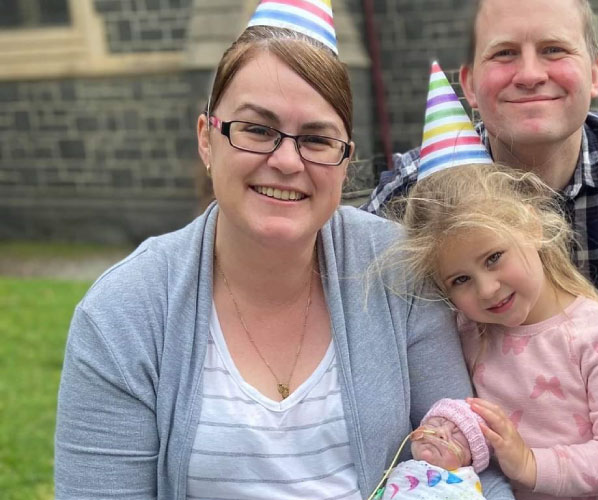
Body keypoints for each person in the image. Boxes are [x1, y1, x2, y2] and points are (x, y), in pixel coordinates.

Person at [53, 2, 514, 499]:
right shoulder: (124, 313)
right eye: (257, 130)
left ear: (344, 163)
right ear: (207, 138)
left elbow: (471, 463)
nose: (287, 161)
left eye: (317, 139)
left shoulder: (396, 270)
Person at [364, 0, 598, 334]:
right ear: (470, 85)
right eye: (504, 53)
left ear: (595, 74)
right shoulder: (411, 195)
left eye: (554, 50)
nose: (530, 75)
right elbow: (354, 313)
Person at [386, 163, 598, 500]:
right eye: (460, 280)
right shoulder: (467, 333)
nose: (486, 289)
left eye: (493, 258)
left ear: (530, 225)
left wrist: (531, 465)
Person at [381, 398, 490, 500]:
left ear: (468, 464)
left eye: (456, 438)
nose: (440, 432)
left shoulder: (466, 487)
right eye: (433, 424)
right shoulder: (395, 470)